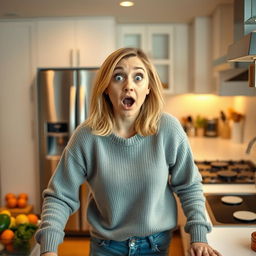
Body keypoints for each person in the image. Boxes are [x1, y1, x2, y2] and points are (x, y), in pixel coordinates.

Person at [35, 47, 222, 256]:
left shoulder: (168, 129)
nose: (128, 86)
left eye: (138, 77)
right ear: (106, 87)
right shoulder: (86, 136)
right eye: (118, 76)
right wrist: (48, 248)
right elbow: (59, 196)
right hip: (106, 247)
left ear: (149, 87)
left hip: (156, 246)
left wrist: (199, 235)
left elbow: (189, 185)